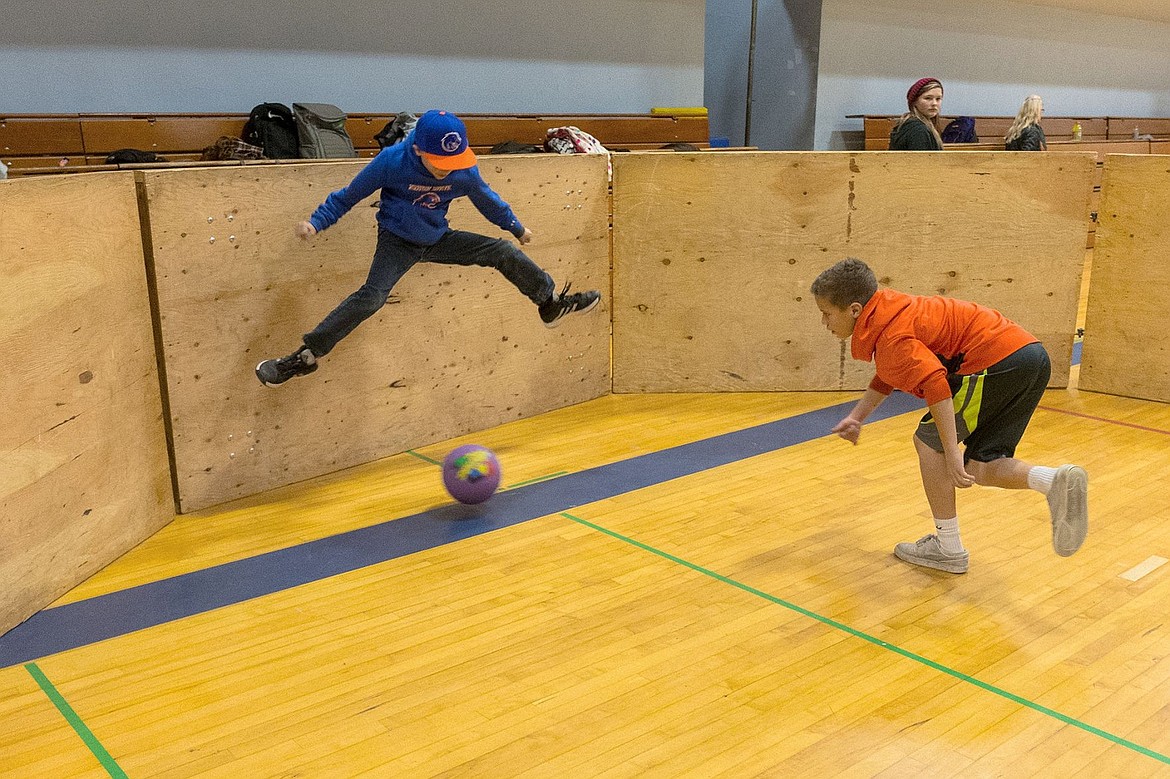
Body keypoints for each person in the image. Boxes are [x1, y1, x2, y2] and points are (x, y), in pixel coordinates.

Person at [256, 109, 601, 387]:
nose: (448, 171)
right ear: (418, 149)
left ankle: (551, 303)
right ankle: (305, 356)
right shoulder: (391, 162)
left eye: (454, 162)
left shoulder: (462, 169)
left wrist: (515, 227)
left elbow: (488, 201)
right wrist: (317, 223)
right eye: (440, 163)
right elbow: (348, 197)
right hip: (397, 242)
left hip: (438, 238)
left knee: (502, 251)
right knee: (372, 297)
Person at [810, 258, 1088, 574]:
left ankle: (948, 548)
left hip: (994, 361)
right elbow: (891, 372)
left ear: (855, 309)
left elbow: (935, 386)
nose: (824, 321)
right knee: (982, 465)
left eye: (827, 313)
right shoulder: (889, 316)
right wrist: (858, 416)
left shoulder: (891, 337)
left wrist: (951, 453)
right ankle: (1054, 481)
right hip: (1028, 358)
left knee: (930, 444)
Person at [890, 78, 945, 151]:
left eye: (938, 99)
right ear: (914, 101)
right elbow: (921, 161)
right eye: (928, 98)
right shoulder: (918, 129)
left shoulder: (913, 123)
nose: (934, 103)